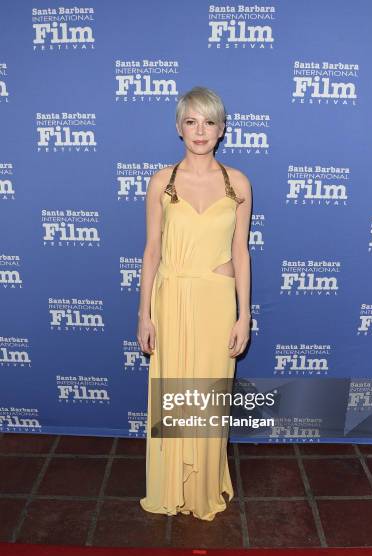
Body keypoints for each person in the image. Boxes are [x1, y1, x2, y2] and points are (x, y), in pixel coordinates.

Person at [137, 86, 252, 521]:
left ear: (222, 129)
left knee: (208, 395)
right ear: (179, 128)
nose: (200, 131)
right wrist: (144, 313)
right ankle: (172, 485)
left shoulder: (237, 182)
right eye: (191, 121)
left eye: (209, 122)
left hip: (217, 303)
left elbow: (241, 252)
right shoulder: (161, 182)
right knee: (173, 395)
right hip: (172, 300)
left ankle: (202, 486)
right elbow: (151, 250)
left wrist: (245, 314)